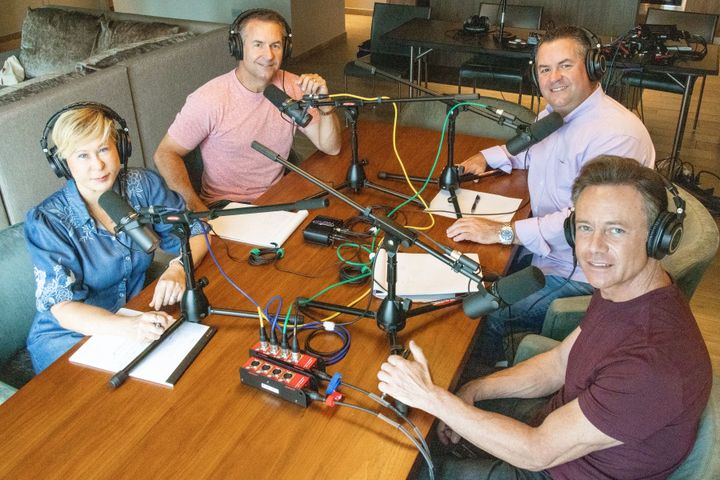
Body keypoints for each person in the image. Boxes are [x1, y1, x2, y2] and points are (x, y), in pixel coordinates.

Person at [378, 155, 712, 479]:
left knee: (408, 466)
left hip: (552, 463)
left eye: (616, 231)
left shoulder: (653, 362)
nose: (593, 247)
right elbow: (560, 363)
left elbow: (537, 452)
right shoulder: (623, 290)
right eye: (585, 227)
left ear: (658, 239)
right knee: (417, 422)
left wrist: (434, 398)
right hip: (558, 426)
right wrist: (474, 390)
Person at [446, 26, 655, 365]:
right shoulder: (554, 115)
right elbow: (528, 150)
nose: (553, 78)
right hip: (545, 254)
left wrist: (503, 232)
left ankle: (485, 381)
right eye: (545, 69)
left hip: (586, 277)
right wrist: (488, 157)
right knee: (462, 275)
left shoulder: (616, 135)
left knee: (483, 312)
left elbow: (584, 222)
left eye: (565, 65)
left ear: (592, 66)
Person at [25, 103, 208, 373]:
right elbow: (63, 307)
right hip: (69, 338)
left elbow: (197, 231)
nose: (98, 165)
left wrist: (178, 269)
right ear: (63, 164)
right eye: (82, 156)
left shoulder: (142, 185)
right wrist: (128, 327)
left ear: (120, 147)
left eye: (103, 149)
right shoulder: (48, 221)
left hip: (134, 316)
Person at [154, 8, 342, 211]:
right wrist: (195, 206)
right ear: (238, 48)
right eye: (258, 44)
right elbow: (165, 153)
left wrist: (324, 101)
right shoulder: (209, 98)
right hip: (228, 206)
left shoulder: (293, 86)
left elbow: (331, 147)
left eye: (276, 45)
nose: (269, 55)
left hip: (278, 197)